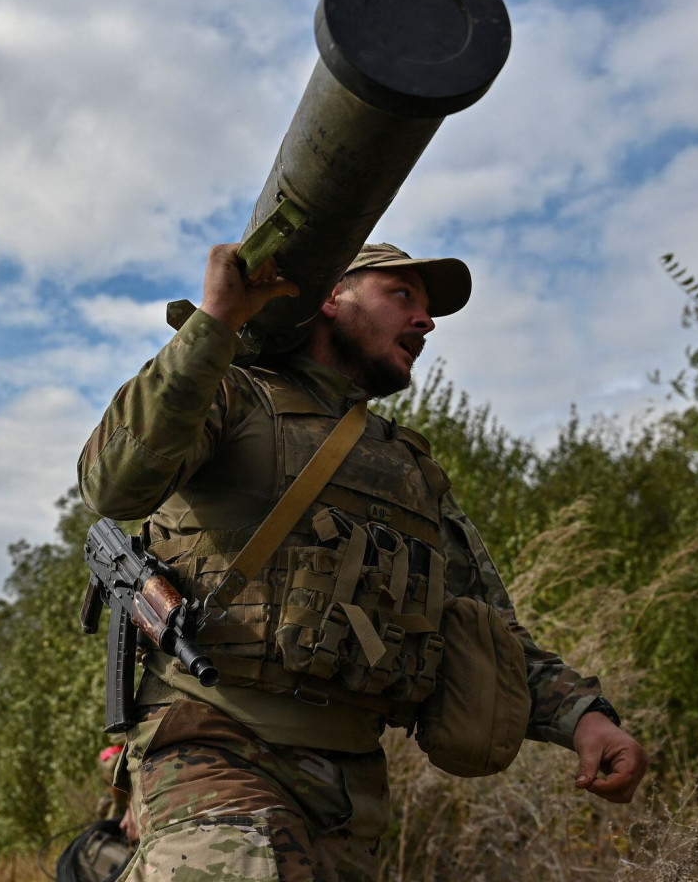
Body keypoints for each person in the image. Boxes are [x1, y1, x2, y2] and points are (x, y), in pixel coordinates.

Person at [77, 243, 647, 881]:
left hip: (349, 795)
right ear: (330, 296)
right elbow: (112, 482)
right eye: (402, 295)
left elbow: (487, 629)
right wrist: (215, 324)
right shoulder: (234, 396)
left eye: (428, 308)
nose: (425, 321)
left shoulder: (410, 470)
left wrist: (586, 721)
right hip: (214, 748)